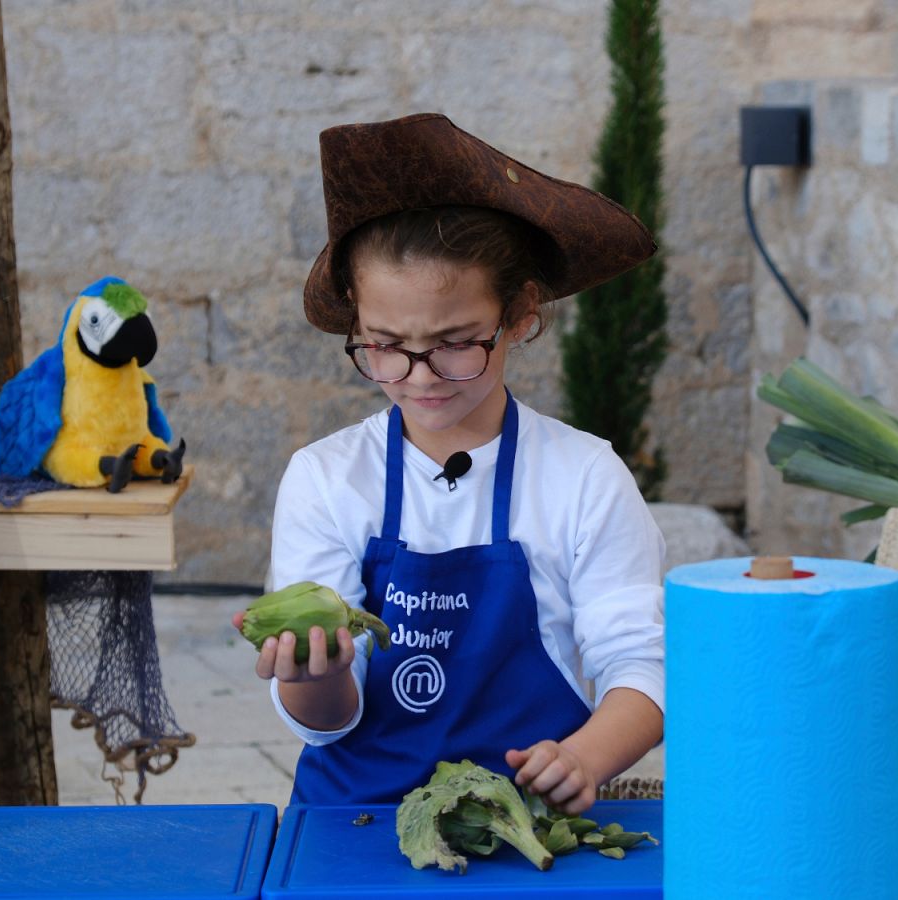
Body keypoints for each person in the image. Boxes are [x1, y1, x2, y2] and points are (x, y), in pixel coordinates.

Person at [237, 113, 665, 815]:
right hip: (357, 822)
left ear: (519, 314)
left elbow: (642, 668)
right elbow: (326, 724)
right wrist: (315, 675)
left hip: (526, 821)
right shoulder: (326, 478)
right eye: (385, 345)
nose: (420, 375)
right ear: (357, 324)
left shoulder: (585, 478)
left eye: (456, 342)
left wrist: (584, 759)